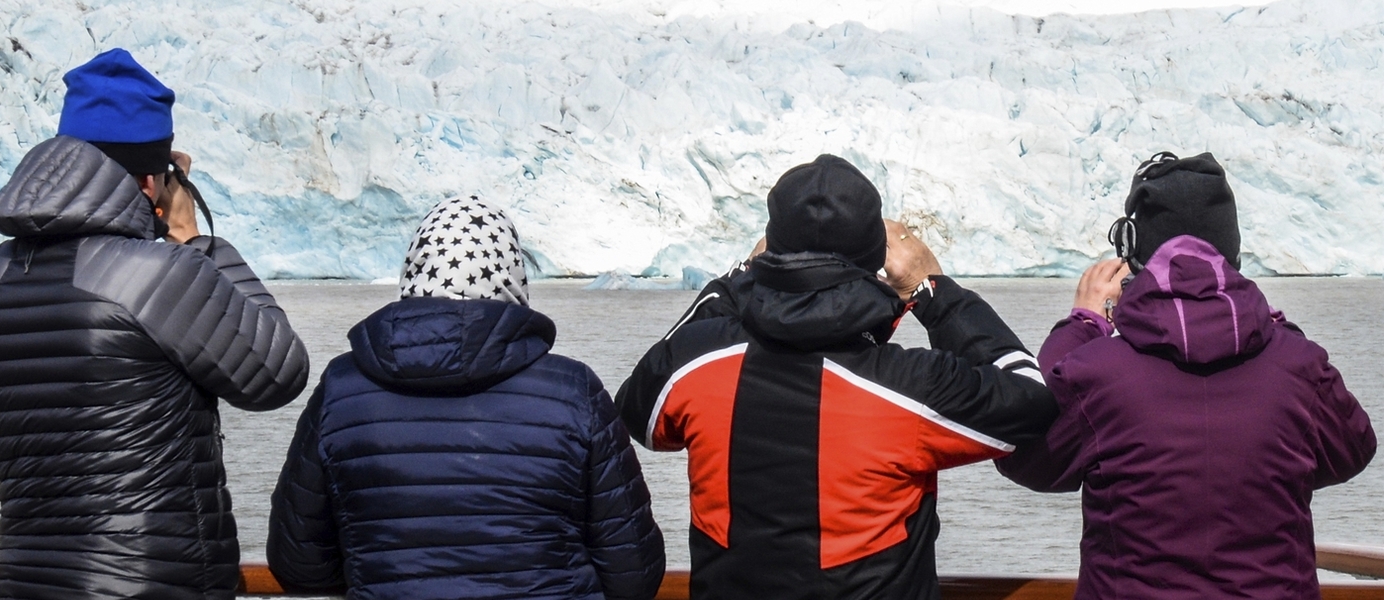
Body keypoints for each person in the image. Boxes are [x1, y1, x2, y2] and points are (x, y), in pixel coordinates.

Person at [0, 48, 310, 600]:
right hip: (156, 585)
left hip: (22, 583)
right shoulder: (160, 275)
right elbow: (277, 373)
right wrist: (196, 245)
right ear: (148, 184)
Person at [615, 154, 1058, 599]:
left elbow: (639, 410)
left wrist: (737, 281)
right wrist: (933, 291)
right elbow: (1031, 400)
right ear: (874, 260)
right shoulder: (909, 387)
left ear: (770, 248)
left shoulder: (699, 363)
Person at [996, 152, 1375, 599]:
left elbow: (1026, 454)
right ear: (1231, 250)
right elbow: (1353, 449)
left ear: (1133, 255)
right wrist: (1276, 330)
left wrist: (1081, 323)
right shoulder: (1297, 366)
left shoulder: (1096, 374)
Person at [267, 196, 666, 599]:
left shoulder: (341, 389)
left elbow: (298, 563)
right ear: (512, 275)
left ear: (412, 270)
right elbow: (633, 571)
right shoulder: (574, 391)